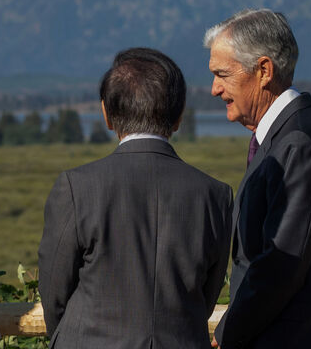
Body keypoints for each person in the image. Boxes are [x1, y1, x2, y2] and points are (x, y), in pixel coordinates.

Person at [38, 47, 233, 348]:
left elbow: (54, 292)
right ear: (179, 115)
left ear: (106, 113)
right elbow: (207, 296)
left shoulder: (77, 187)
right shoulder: (215, 195)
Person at [205, 9, 311, 349]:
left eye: (222, 74)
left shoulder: (298, 143)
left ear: (263, 71)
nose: (214, 89)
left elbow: (281, 263)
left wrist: (228, 330)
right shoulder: (297, 133)